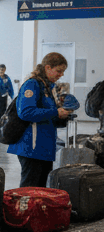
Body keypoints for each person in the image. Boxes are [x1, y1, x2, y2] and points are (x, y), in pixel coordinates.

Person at [7, 52, 71, 188]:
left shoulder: (48, 87)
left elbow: (49, 115)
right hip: (31, 147)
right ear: (48, 67)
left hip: (44, 146)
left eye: (63, 72)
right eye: (59, 71)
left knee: (41, 189)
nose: (61, 75)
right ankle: (23, 210)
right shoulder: (32, 85)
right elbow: (25, 112)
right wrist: (55, 112)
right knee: (30, 189)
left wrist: (62, 115)